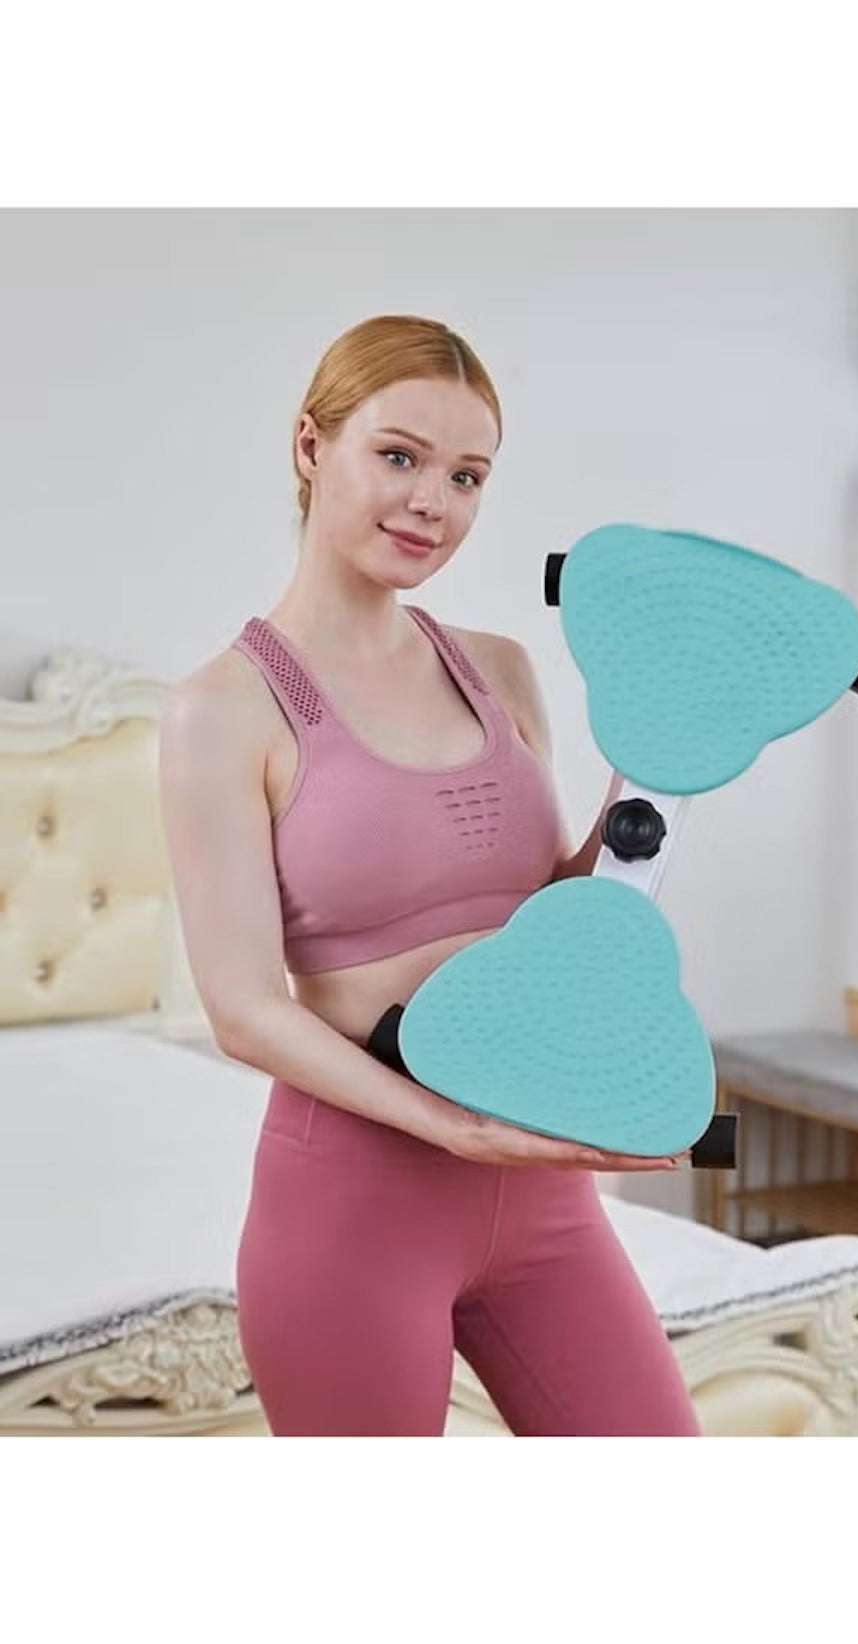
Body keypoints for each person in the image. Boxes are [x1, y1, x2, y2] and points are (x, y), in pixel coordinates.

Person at [158, 314, 702, 1437]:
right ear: (313, 448)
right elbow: (247, 1009)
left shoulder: (497, 670)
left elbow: (558, 925)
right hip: (356, 1205)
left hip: (543, 1199)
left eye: (466, 476)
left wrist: (652, 769)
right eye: (398, 457)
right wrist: (447, 1127)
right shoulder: (224, 709)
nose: (432, 503)